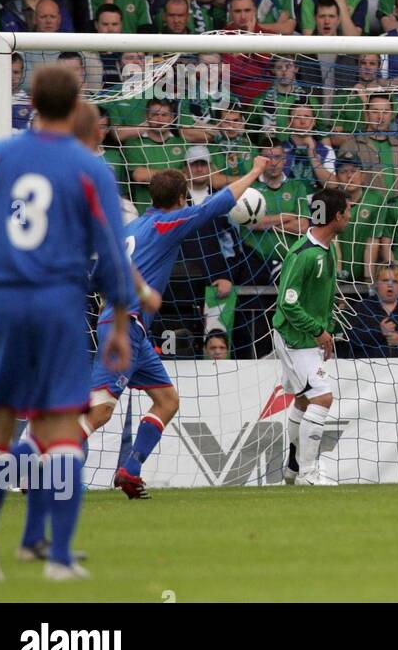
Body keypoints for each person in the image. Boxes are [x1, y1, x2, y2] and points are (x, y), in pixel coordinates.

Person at [0, 66, 135, 582]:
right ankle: (59, 558)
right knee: (61, 428)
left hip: (0, 300)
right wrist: (121, 323)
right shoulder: (89, 168)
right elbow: (110, 252)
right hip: (59, 304)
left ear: (31, 101)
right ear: (78, 103)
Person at [87, 156, 270, 499]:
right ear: (182, 197)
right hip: (123, 327)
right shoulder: (169, 223)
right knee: (100, 411)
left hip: (132, 329)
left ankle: (130, 470)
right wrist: (256, 171)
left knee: (168, 401)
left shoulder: (133, 227)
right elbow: (219, 203)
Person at [277, 187, 352, 487]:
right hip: (295, 338)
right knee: (322, 397)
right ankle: (309, 474)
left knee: (303, 400)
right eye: (347, 212)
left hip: (308, 337)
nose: (350, 217)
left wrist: (326, 333)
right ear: (336, 216)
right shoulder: (304, 254)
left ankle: (293, 469)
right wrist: (319, 332)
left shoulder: (327, 249)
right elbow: (287, 303)